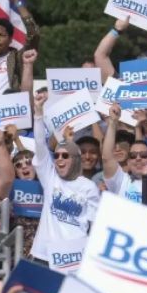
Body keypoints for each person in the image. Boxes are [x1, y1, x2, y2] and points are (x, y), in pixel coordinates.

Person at [31, 93, 100, 267]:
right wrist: (38, 113)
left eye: (65, 155)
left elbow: (94, 226)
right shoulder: (50, 177)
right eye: (56, 155)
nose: (59, 159)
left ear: (76, 159)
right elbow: (39, 144)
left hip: (73, 259)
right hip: (43, 256)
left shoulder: (89, 187)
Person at [103, 103, 147, 203]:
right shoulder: (121, 180)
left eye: (144, 155)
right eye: (133, 156)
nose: (138, 158)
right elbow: (107, 158)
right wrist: (113, 122)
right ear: (128, 162)